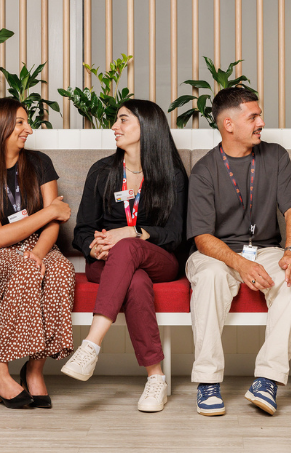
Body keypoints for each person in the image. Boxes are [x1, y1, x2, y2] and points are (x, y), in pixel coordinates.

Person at [186, 87, 291, 417]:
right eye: (253, 116)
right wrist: (239, 264)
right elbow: (202, 238)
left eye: (259, 115)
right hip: (218, 253)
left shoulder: (275, 156)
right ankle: (208, 382)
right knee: (212, 276)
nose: (261, 122)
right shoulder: (204, 170)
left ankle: (267, 380)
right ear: (229, 124)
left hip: (268, 248)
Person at [62, 99, 187, 413]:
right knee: (135, 281)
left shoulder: (171, 174)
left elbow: (177, 234)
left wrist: (133, 232)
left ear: (147, 127)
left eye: (123, 120)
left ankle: (91, 344)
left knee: (129, 247)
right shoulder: (102, 171)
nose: (114, 127)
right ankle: (156, 378)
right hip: (106, 262)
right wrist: (92, 246)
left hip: (159, 258)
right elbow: (83, 229)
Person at [0, 97, 75, 410]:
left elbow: (57, 221)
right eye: (21, 123)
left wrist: (38, 251)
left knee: (61, 270)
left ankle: (35, 369)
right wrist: (48, 212)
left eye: (27, 122)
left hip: (38, 243)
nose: (29, 130)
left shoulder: (39, 163)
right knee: (24, 270)